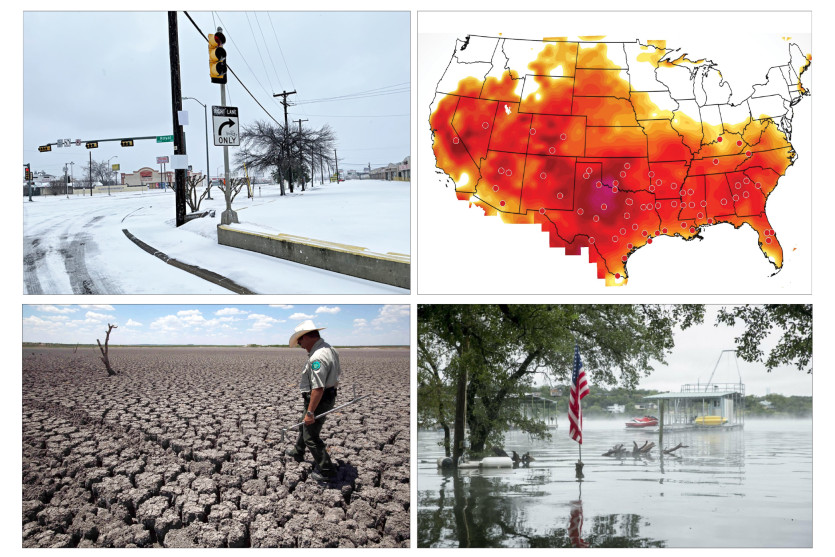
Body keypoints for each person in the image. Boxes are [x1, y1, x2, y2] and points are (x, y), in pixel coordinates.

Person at [285, 320, 340, 482]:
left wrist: (310, 412)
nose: (300, 344)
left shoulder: (318, 357)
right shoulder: (329, 348)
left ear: (308, 337)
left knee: (311, 436)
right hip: (323, 397)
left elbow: (318, 388)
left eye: (300, 340)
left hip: (319, 399)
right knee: (303, 424)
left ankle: (327, 470)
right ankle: (298, 451)